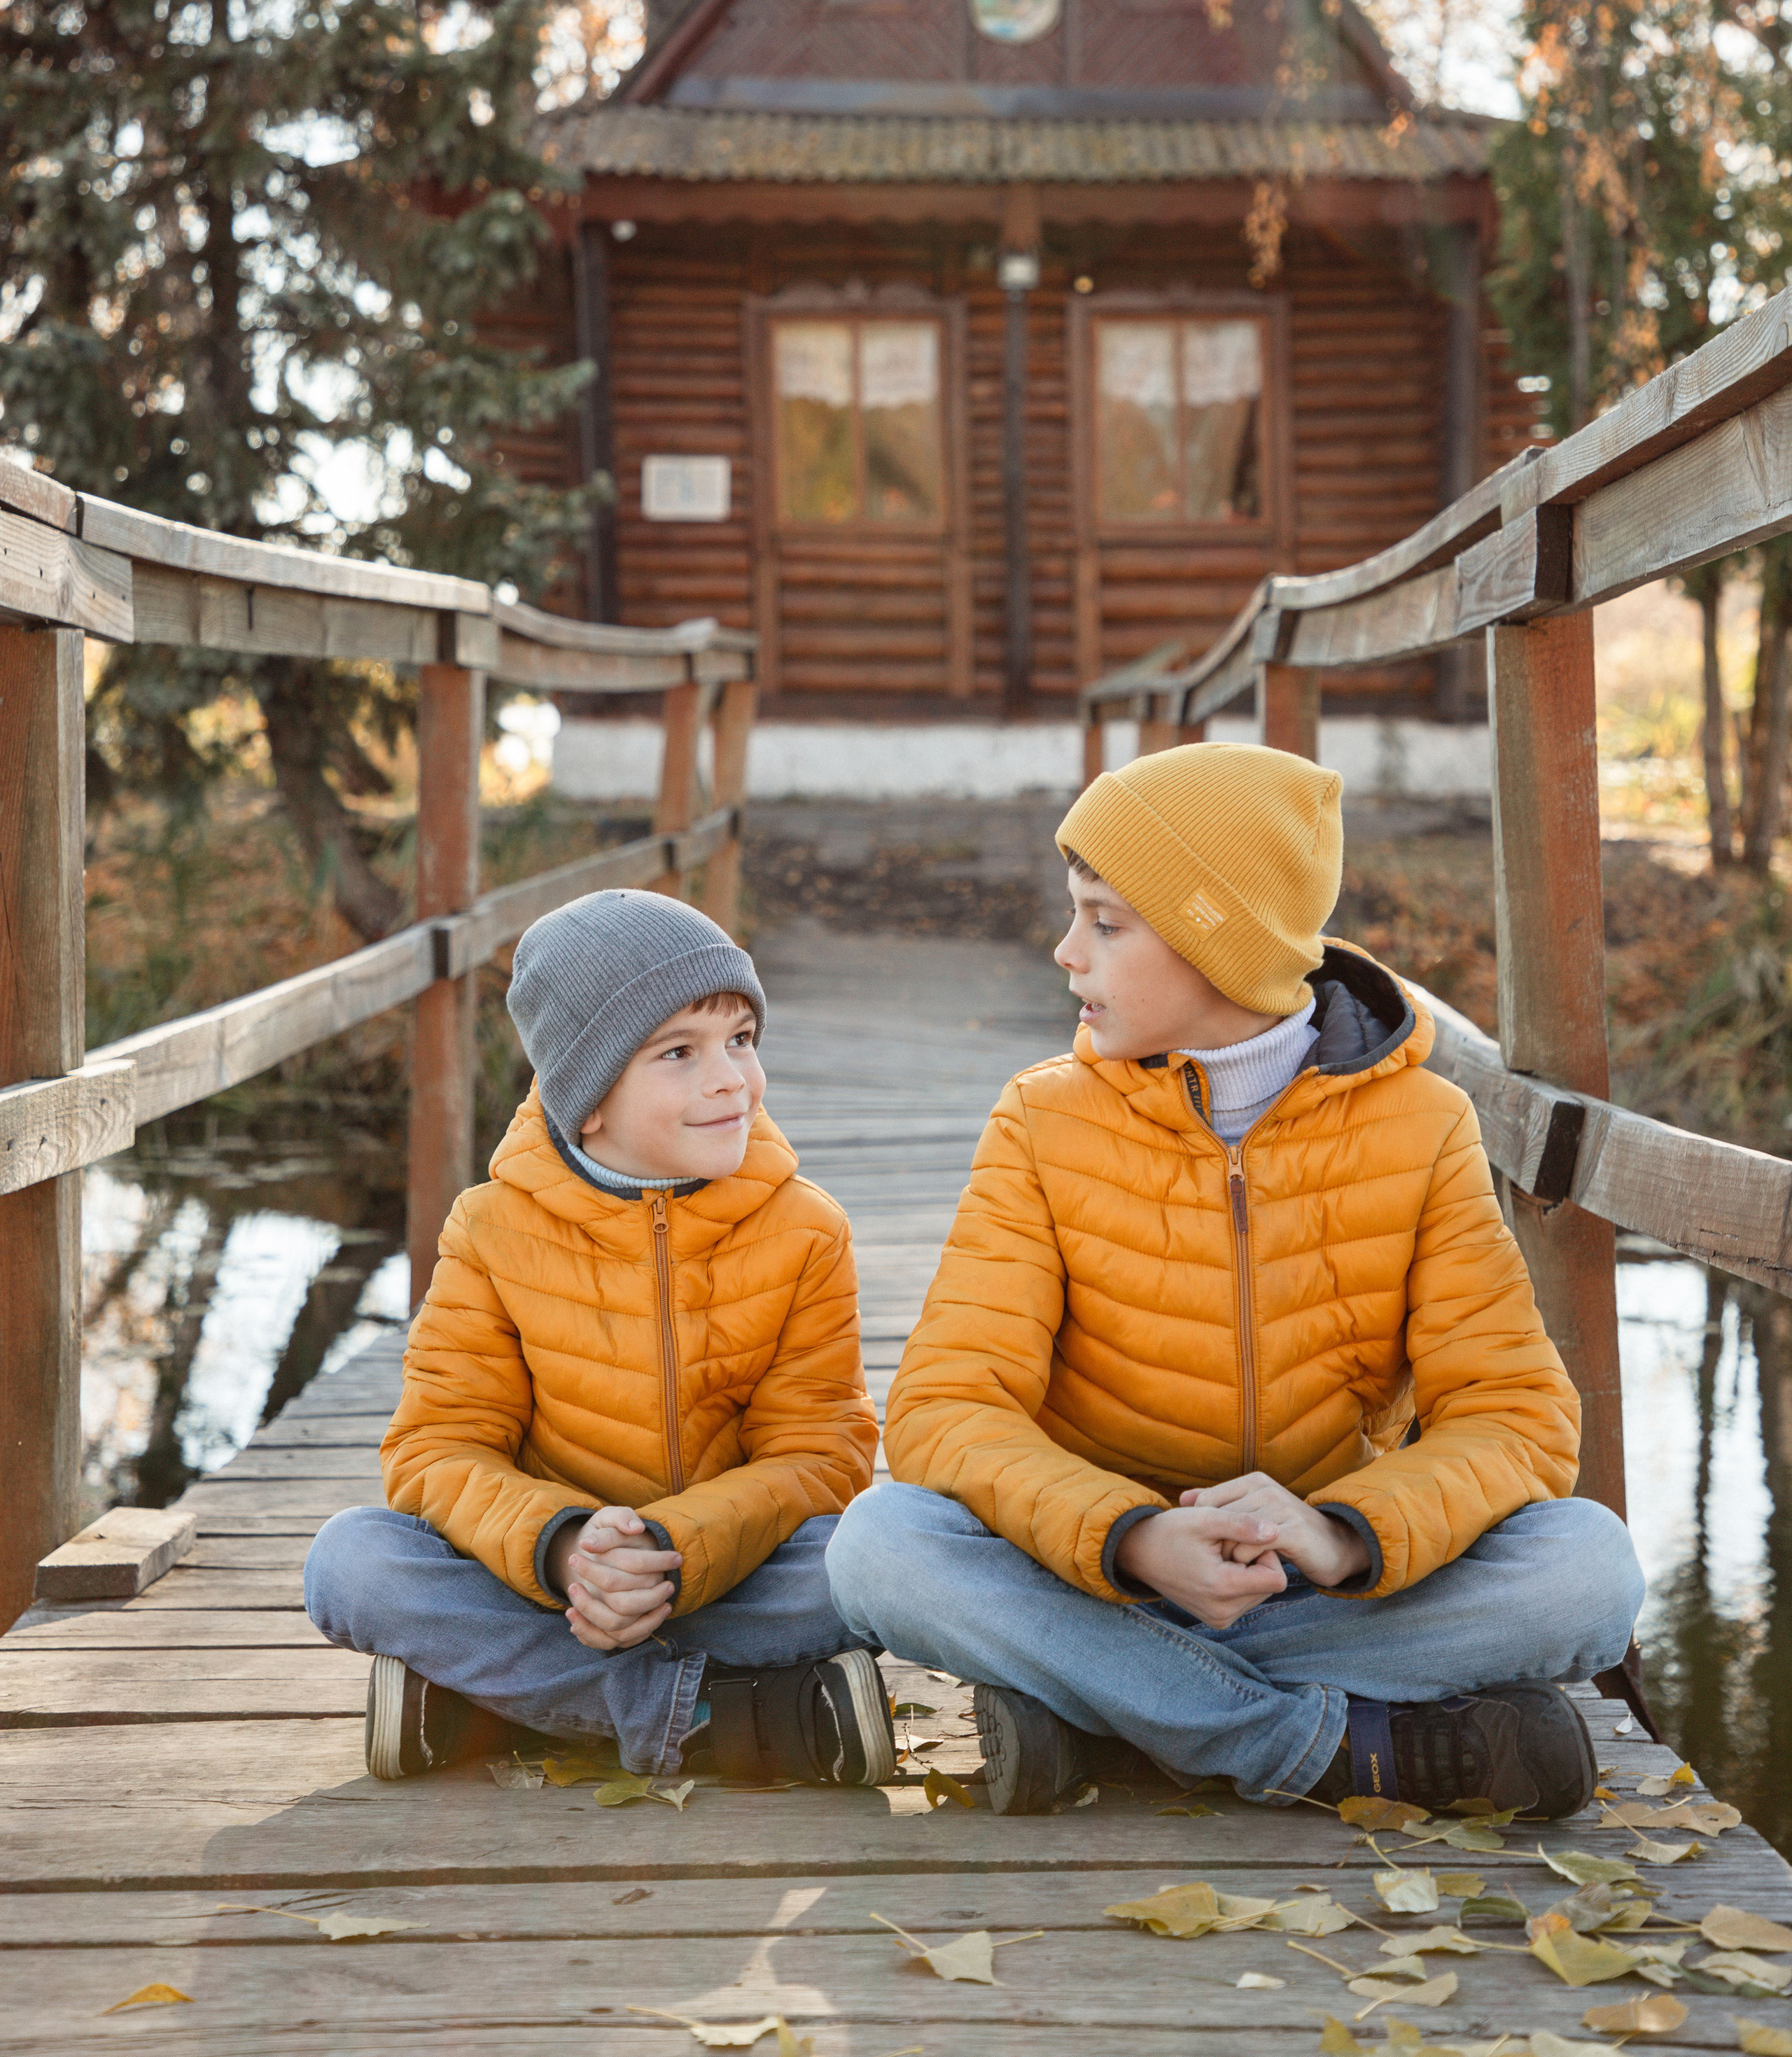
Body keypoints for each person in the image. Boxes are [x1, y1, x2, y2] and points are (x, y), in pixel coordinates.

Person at [827, 742, 1644, 1818]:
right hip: (1094, 1579)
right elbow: (943, 1409)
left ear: (1220, 945)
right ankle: (1333, 1748)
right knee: (880, 1548)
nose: (1065, 951)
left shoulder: (1425, 1126)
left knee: (1588, 1567)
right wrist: (1130, 1539)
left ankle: (1106, 1717)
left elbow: (1516, 1415)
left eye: (1105, 922)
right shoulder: (1042, 1119)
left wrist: (1341, 1534)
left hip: (1310, 1586)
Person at [306, 888, 895, 1790]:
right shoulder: (489, 1231)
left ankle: (481, 1701)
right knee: (354, 1564)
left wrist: (674, 1549)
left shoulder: (806, 1230)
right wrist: (569, 1549)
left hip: (731, 1568)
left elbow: (822, 1452)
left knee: (878, 1555)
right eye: (679, 1054)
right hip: (545, 1578)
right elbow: (437, 1449)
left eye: (740, 1039)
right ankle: (724, 1717)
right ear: (586, 1101)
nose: (731, 1079)